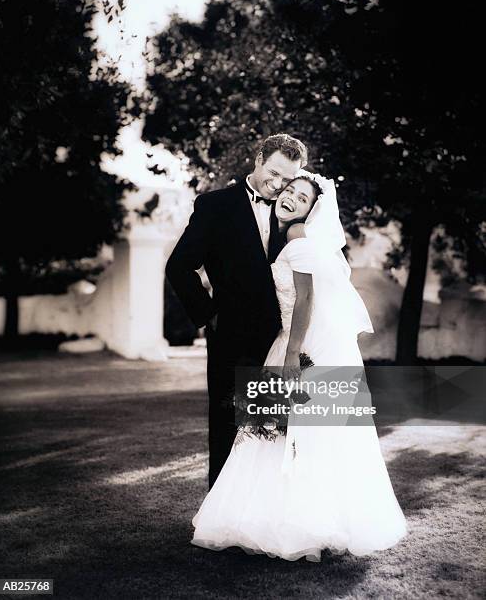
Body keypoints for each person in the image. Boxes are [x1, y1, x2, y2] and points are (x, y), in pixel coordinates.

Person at [191, 172, 407, 560]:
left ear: (312, 210)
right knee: (283, 436)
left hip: (297, 346)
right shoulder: (294, 237)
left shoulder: (297, 237)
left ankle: (289, 524)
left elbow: (306, 299)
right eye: (289, 191)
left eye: (301, 198)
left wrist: (293, 354)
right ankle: (288, 520)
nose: (290, 198)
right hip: (291, 341)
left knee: (284, 436)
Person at [166, 134, 309, 489]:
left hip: (280, 340)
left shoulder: (295, 215)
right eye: (273, 173)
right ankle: (220, 521)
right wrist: (210, 316)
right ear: (259, 158)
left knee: (275, 431)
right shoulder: (215, 206)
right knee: (227, 425)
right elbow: (179, 266)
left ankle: (264, 519)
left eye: (287, 180)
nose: (277, 186)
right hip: (230, 335)